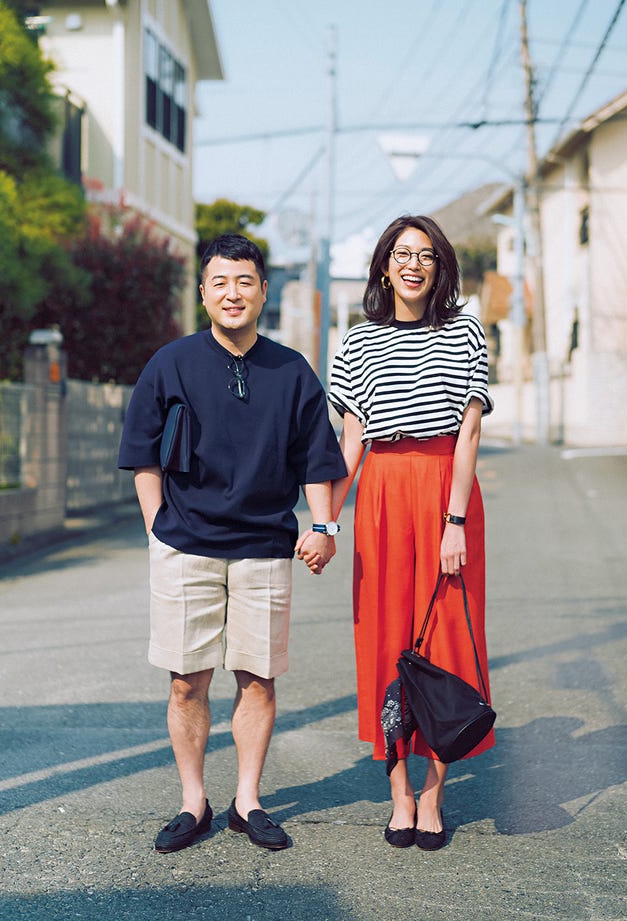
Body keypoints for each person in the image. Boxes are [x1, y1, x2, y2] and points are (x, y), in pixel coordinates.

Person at [118, 233, 346, 853]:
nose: (232, 293)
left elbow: (318, 460)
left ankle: (248, 802)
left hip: (265, 546)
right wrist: (155, 526)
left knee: (258, 680)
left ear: (263, 290)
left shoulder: (290, 370)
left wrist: (324, 527)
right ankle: (194, 803)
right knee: (186, 681)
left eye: (244, 281)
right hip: (184, 545)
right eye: (219, 282)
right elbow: (142, 454)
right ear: (203, 292)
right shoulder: (171, 363)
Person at [319, 214, 495, 850]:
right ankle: (398, 793)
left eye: (425, 254)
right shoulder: (358, 341)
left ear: (439, 266)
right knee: (388, 640)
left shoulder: (466, 329)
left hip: (446, 488)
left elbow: (470, 429)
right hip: (383, 497)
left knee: (448, 636)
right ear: (384, 266)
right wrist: (324, 519)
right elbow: (352, 439)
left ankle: (434, 793)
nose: (413, 264)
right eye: (402, 253)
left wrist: (454, 520)